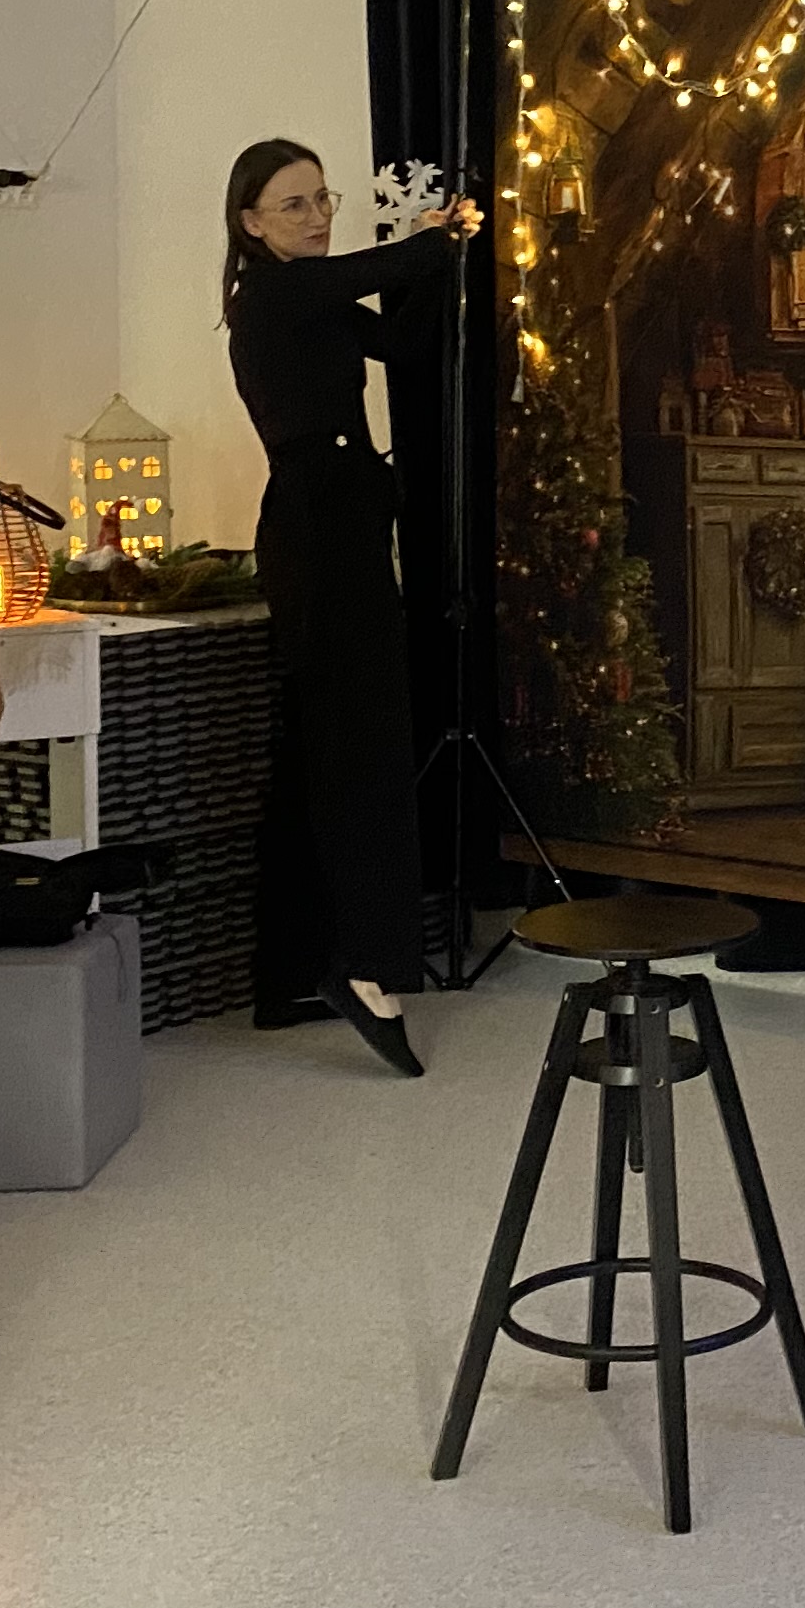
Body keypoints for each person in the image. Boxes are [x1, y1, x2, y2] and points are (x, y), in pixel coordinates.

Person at [224, 138, 477, 1079]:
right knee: (364, 749)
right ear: (250, 222)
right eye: (294, 204)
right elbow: (385, 270)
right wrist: (438, 239)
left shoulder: (313, 296)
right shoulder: (272, 295)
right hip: (318, 534)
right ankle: (367, 967)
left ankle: (292, 969)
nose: (318, 217)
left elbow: (403, 344)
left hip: (341, 526)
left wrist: (437, 264)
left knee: (320, 752)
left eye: (322, 199)